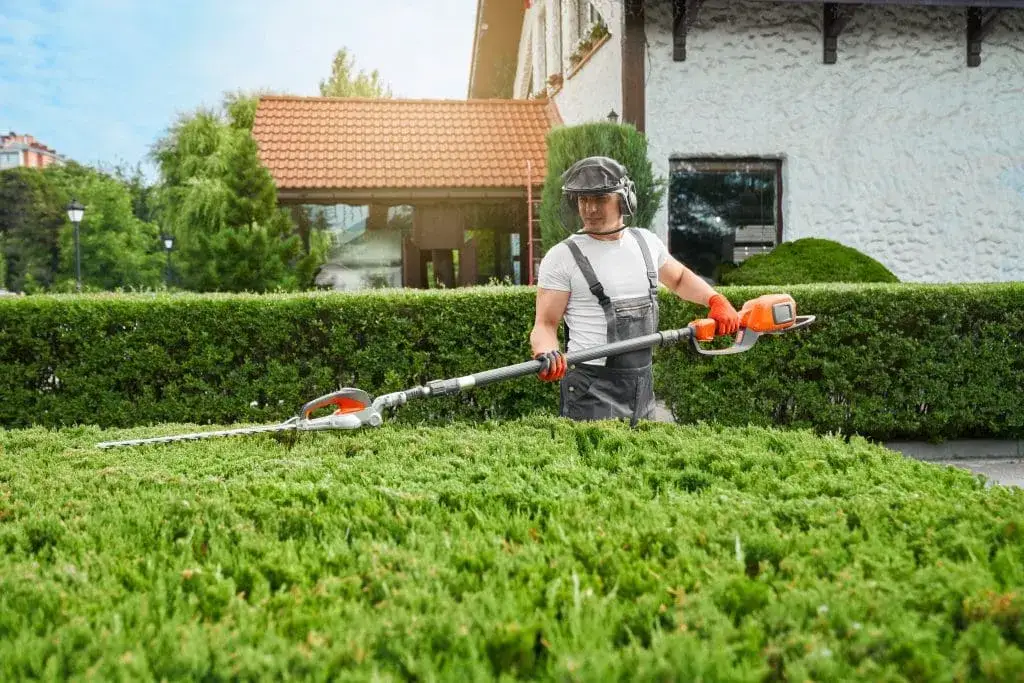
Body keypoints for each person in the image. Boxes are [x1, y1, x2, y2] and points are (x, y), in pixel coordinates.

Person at [530, 155, 740, 425]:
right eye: (583, 199)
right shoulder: (562, 256)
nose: (590, 208)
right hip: (590, 387)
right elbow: (545, 324)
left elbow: (678, 279)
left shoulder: (646, 243)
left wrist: (715, 299)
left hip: (642, 384)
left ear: (625, 199)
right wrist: (547, 352)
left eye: (600, 199)